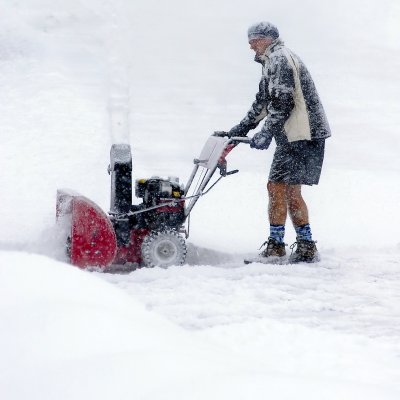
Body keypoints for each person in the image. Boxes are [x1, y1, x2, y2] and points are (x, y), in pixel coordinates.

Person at [219, 22, 331, 263]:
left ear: (267, 39)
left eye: (254, 40)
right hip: (303, 135)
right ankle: (306, 246)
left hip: (301, 134)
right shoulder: (272, 61)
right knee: (289, 191)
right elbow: (263, 102)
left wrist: (266, 133)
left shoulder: (280, 59)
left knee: (276, 187)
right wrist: (238, 131)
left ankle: (276, 247)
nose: (250, 45)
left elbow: (282, 104)